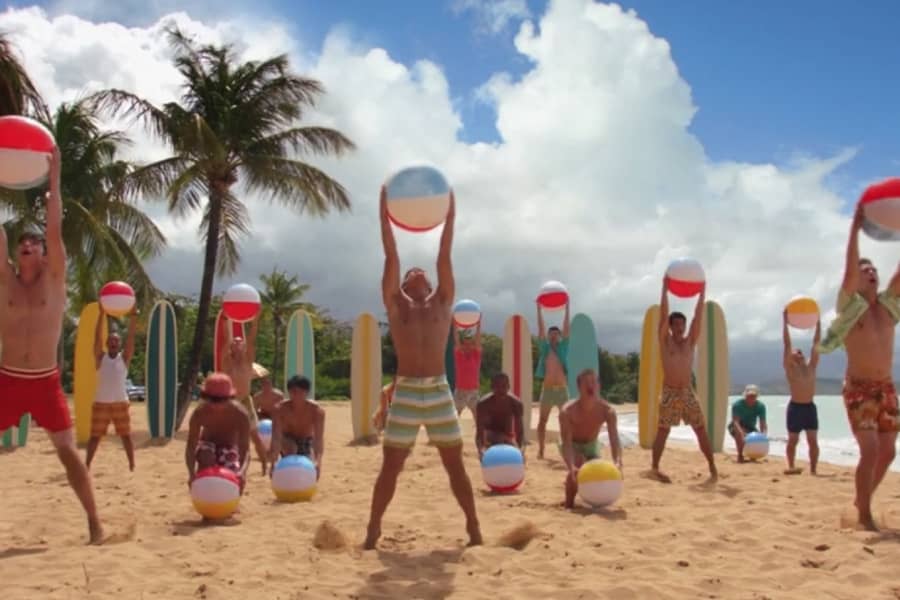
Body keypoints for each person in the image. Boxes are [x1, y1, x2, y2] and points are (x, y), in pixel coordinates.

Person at [364, 186, 481, 550]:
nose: (415, 272)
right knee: (391, 466)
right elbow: (391, 254)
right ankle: (372, 530)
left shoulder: (443, 301)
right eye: (408, 272)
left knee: (454, 464)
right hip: (407, 391)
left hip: (438, 389)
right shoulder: (396, 306)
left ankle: (474, 526)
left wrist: (449, 216)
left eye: (421, 271)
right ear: (400, 284)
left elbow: (444, 254)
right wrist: (385, 216)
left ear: (430, 282)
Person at [0, 150, 103, 543]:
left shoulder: (55, 278)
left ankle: (94, 520)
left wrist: (54, 180)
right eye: (22, 241)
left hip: (44, 382)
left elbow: (56, 228)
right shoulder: (5, 278)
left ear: (44, 254)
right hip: (7, 378)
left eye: (34, 241)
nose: (27, 243)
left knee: (66, 451)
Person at [817, 205, 899, 530]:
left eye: (874, 270)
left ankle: (860, 501)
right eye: (865, 270)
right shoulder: (850, 308)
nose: (871, 272)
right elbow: (849, 267)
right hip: (859, 388)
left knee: (889, 453)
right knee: (870, 450)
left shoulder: (890, 308)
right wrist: (855, 227)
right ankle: (864, 515)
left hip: (887, 389)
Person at [650, 278, 718, 483]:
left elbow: (698, 316)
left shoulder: (690, 342)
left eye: (682, 324)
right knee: (663, 430)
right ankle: (654, 468)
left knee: (700, 429)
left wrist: (702, 292)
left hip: (687, 391)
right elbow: (663, 313)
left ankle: (713, 468)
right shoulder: (665, 341)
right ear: (670, 327)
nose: (680, 327)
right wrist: (665, 289)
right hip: (670, 391)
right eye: (676, 324)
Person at [559, 369, 622, 509]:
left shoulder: (608, 411)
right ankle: (569, 504)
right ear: (578, 387)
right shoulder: (567, 411)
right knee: (577, 466)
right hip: (571, 444)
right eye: (586, 382)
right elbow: (567, 443)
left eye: (594, 381)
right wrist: (571, 466)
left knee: (598, 471)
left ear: (599, 386)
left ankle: (594, 501)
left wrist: (617, 461)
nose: (590, 385)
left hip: (592, 444)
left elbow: (614, 438)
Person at [86, 304, 138, 471]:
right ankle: (87, 464)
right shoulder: (101, 357)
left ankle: (131, 464)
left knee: (126, 436)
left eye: (116, 340)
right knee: (94, 437)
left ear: (119, 344)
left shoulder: (124, 359)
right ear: (107, 343)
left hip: (120, 403)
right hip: (101, 403)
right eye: (111, 340)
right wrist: (101, 315)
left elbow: (131, 339)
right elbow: (96, 340)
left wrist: (133, 317)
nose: (113, 342)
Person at [185, 372, 250, 494]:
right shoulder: (199, 413)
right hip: (207, 444)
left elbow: (245, 449)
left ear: (230, 398)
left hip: (230, 447)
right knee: (206, 456)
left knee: (233, 478)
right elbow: (191, 445)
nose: (216, 405)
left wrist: (242, 472)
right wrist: (191, 473)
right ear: (205, 397)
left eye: (221, 400)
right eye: (213, 399)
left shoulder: (240, 414)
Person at [219, 313, 268, 474]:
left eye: (240, 342)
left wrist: (254, 320)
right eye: (236, 342)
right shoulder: (227, 363)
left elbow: (252, 340)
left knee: (254, 435)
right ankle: (230, 465)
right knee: (229, 436)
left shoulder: (248, 362)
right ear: (232, 347)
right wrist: (226, 322)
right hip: (231, 402)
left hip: (246, 400)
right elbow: (226, 341)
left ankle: (264, 465)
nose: (238, 343)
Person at [782, 311, 821, 475]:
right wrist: (784, 324)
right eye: (795, 353)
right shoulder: (790, 369)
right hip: (796, 408)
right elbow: (787, 345)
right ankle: (791, 466)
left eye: (800, 352)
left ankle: (813, 470)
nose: (798, 354)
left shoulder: (811, 367)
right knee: (793, 440)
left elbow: (816, 344)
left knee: (813, 440)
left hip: (809, 407)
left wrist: (818, 324)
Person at [269, 375, 324, 478]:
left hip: (306, 440)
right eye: (293, 392)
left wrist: (318, 462)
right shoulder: (279, 409)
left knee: (308, 467)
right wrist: (273, 462)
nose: (297, 396)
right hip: (286, 440)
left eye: (301, 392)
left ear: (307, 392)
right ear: (289, 392)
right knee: (291, 448)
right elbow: (276, 436)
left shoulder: (317, 411)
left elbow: (318, 439)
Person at [535, 299, 571, 458]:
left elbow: (567, 327)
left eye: (556, 333)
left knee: (566, 422)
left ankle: (566, 450)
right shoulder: (545, 348)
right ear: (549, 336)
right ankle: (541, 449)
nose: (554, 335)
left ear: (560, 336)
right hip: (548, 390)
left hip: (562, 391)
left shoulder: (564, 347)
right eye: (551, 334)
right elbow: (541, 329)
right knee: (542, 421)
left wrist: (568, 307)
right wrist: (538, 309)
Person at [474, 373, 524, 460]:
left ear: (508, 387)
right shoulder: (483, 404)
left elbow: (520, 430)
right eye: (497, 386)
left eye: (504, 386)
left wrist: (520, 449)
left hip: (507, 437)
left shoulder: (516, 404)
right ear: (492, 388)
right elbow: (479, 431)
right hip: (489, 436)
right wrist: (481, 450)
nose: (501, 390)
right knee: (498, 439)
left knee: (518, 458)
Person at [727, 385, 768, 463]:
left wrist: (764, 434)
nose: (751, 398)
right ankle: (740, 455)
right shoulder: (737, 405)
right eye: (749, 396)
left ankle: (753, 456)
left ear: (757, 396)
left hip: (750, 427)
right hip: (736, 425)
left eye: (753, 396)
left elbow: (763, 422)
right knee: (739, 434)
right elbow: (736, 422)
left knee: (757, 438)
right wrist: (741, 433)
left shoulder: (760, 406)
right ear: (745, 395)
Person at [453, 321, 482, 417]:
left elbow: (478, 339)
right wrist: (455, 324)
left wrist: (478, 324)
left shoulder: (476, 356)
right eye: (465, 344)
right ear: (462, 346)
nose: (467, 346)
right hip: (460, 391)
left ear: (473, 346)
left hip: (473, 391)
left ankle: (480, 432)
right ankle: (453, 432)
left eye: (470, 344)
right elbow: (456, 339)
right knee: (455, 415)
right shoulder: (459, 356)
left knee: (478, 415)